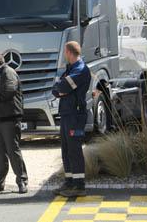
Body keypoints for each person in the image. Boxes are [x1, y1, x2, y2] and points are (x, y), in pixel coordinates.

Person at [0, 53, 28, 194]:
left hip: (9, 118)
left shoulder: (8, 72)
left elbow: (9, 90)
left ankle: (22, 181)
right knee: (0, 152)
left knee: (12, 150)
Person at [51, 41, 91, 197]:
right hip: (67, 114)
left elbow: (61, 88)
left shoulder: (80, 70)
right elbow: (56, 89)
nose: (64, 55)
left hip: (75, 115)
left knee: (74, 150)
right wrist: (60, 90)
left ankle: (79, 186)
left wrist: (61, 90)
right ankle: (69, 183)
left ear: (68, 52)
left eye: (64, 52)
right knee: (66, 150)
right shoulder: (71, 69)